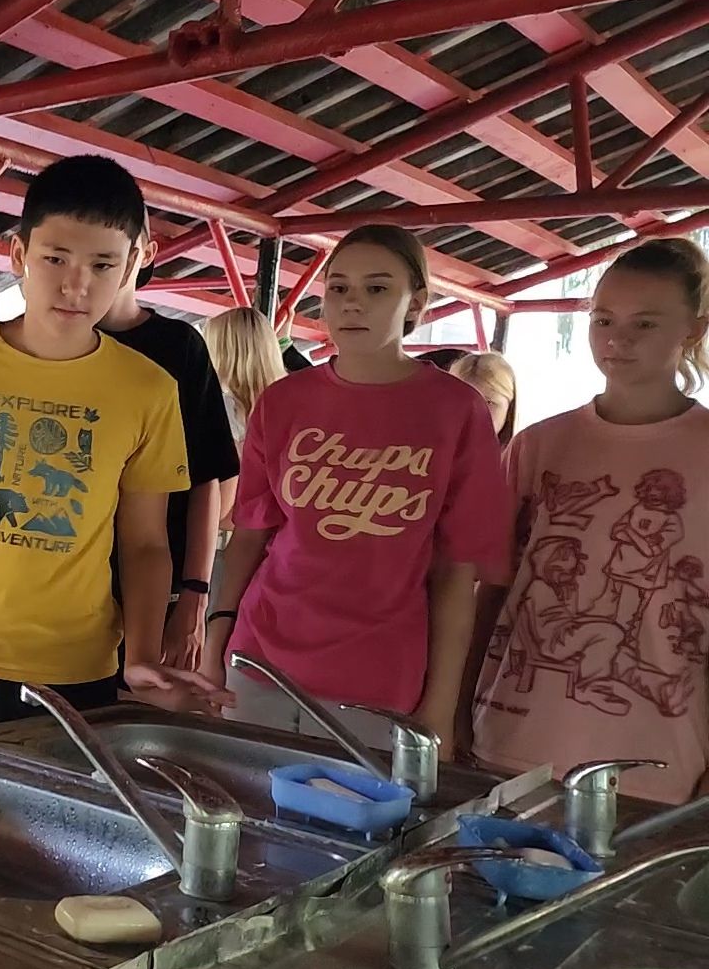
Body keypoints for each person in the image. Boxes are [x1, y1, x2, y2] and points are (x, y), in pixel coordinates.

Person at [0, 155, 224, 736]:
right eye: (55, 258)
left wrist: (140, 657)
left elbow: (144, 543)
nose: (76, 284)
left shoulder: (149, 389)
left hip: (78, 671)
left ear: (132, 263)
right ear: (19, 256)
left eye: (103, 263)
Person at [202, 224, 509, 758]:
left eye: (377, 288)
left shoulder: (455, 410)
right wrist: (215, 645)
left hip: (378, 679)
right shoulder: (284, 401)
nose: (352, 304)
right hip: (260, 661)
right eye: (339, 287)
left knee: (348, 829)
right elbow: (251, 535)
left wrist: (440, 705)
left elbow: (456, 573)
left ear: (416, 303)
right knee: (249, 816)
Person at [464, 239, 709, 804]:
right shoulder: (538, 446)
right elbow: (492, 589)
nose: (616, 339)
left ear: (692, 331)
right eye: (603, 320)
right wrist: (456, 709)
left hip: (658, 763)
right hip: (511, 741)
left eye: (644, 324)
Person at [99, 219, 241, 675]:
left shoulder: (179, 347)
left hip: (160, 587)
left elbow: (209, 479)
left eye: (109, 253)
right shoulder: (47, 348)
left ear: (144, 253)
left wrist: (195, 596)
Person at [203, 307, 289, 534]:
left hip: (231, 541)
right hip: (280, 540)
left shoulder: (221, 409)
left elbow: (220, 508)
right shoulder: (290, 409)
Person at [450, 351, 519, 445]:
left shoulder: (525, 457)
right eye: (465, 401)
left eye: (489, 402)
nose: (475, 413)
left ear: (509, 409)